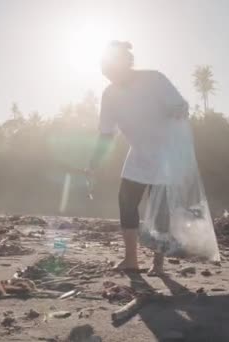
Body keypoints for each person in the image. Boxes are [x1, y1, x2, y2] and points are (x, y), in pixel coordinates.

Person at [87, 41, 190, 276]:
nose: (110, 75)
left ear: (126, 62)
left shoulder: (154, 79)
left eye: (113, 68)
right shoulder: (109, 94)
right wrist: (94, 162)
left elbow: (180, 106)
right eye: (106, 71)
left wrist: (179, 109)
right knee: (126, 201)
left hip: (166, 153)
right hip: (139, 154)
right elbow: (105, 133)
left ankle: (158, 264)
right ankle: (131, 259)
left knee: (159, 208)